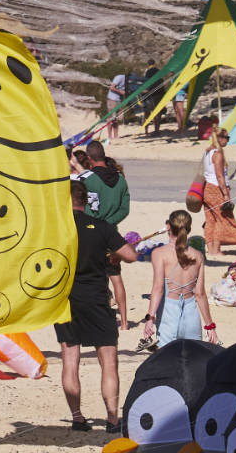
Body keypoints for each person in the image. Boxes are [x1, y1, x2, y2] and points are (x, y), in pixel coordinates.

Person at [55, 177, 136, 434]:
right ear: (84, 201)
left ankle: (77, 417)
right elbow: (131, 256)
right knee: (108, 360)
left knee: (70, 358)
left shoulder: (56, 229)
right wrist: (112, 252)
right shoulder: (101, 226)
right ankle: (112, 419)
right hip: (97, 298)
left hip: (65, 300)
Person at [141, 209, 216, 348]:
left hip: (169, 315)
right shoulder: (197, 255)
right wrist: (210, 325)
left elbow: (158, 289)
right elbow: (200, 294)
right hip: (191, 315)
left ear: (168, 226)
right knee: (193, 362)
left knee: (168, 363)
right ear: (189, 229)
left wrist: (150, 318)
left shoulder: (159, 253)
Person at [82, 141, 131, 331]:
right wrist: (110, 223)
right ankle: (125, 322)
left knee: (95, 279)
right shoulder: (120, 178)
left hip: (94, 234)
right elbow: (124, 209)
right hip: (113, 235)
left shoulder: (88, 179)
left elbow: (89, 209)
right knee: (116, 278)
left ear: (89, 158)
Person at [198, 128, 236, 254]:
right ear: (219, 138)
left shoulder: (208, 151)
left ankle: (212, 249)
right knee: (223, 219)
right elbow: (220, 176)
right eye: (227, 138)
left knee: (210, 220)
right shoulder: (218, 154)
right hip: (216, 189)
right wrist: (226, 194)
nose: (227, 140)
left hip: (207, 188)